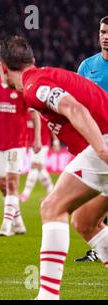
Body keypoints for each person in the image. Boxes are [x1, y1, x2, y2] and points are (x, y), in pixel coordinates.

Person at [0, 35, 108, 300]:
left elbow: (73, 107)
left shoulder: (35, 86)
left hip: (104, 143)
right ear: (31, 60)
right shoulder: (43, 77)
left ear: (2, 67)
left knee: (52, 207)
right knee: (85, 220)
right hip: (100, 143)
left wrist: (102, 151)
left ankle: (47, 296)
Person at [0, 58, 41, 237]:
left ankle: (6, 225)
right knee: (2, 184)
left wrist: (37, 138)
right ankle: (18, 222)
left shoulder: (20, 87)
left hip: (17, 143)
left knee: (12, 183)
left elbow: (34, 115)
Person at [74, 16, 108, 263]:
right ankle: (99, 248)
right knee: (93, 200)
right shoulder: (87, 66)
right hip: (94, 141)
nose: (105, 37)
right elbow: (77, 105)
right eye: (103, 32)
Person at [19, 116, 60, 202]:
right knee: (40, 168)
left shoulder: (42, 113)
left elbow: (52, 127)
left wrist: (56, 141)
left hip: (42, 143)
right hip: (31, 145)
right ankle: (52, 193)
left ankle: (25, 194)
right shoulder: (27, 113)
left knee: (35, 166)